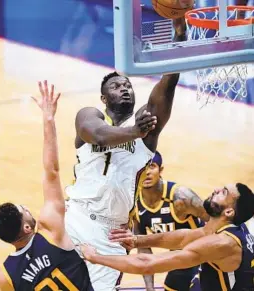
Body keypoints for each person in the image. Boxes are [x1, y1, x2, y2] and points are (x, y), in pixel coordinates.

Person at [64, 17, 187, 291]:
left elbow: (168, 83)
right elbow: (95, 134)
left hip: (113, 232)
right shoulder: (90, 116)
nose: (124, 88)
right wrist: (134, 131)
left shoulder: (147, 126)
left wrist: (179, 33)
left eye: (128, 85)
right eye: (116, 86)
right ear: (104, 99)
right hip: (76, 217)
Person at [0, 81, 93, 291]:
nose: (28, 209)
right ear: (27, 227)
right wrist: (48, 118)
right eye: (25, 210)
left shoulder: (6, 275)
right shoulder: (50, 231)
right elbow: (51, 171)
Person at [81, 183, 254, 291]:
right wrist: (137, 240)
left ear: (229, 211)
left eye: (223, 192)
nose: (216, 189)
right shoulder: (223, 229)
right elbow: (183, 238)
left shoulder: (222, 243)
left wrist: (95, 257)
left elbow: (147, 264)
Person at [134, 150, 208, 291]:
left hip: (202, 259)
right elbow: (143, 248)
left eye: (152, 166)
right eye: (142, 167)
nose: (147, 172)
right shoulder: (134, 203)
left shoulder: (181, 197)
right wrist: (150, 288)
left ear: (160, 170)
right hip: (179, 260)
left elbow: (216, 222)